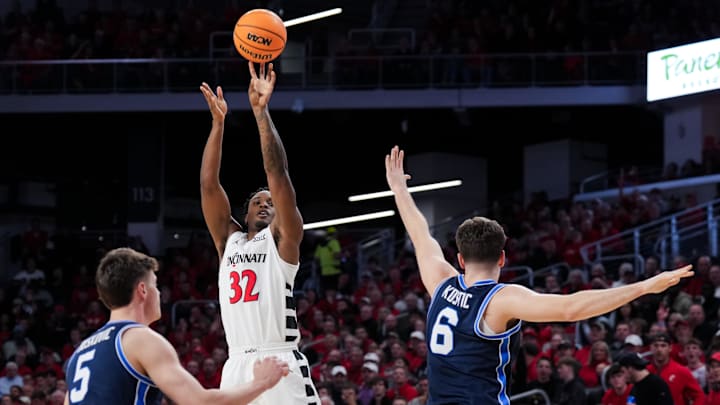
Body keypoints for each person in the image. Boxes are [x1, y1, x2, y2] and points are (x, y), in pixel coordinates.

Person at [383, 145, 694, 404]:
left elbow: (421, 234)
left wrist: (399, 189)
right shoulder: (501, 300)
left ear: (461, 259)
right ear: (503, 257)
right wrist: (643, 287)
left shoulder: (440, 282)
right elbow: (571, 308)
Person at [199, 61, 320, 404]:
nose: (266, 204)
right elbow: (209, 185)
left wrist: (260, 113)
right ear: (245, 213)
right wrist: (218, 123)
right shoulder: (229, 242)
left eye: (270, 201)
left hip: (279, 357)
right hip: (236, 363)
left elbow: (277, 172)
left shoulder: (283, 240)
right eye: (258, 201)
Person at [63, 247, 289, 405]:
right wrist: (262, 382)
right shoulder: (139, 339)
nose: (159, 293)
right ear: (143, 290)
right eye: (155, 286)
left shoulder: (79, 353)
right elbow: (201, 402)